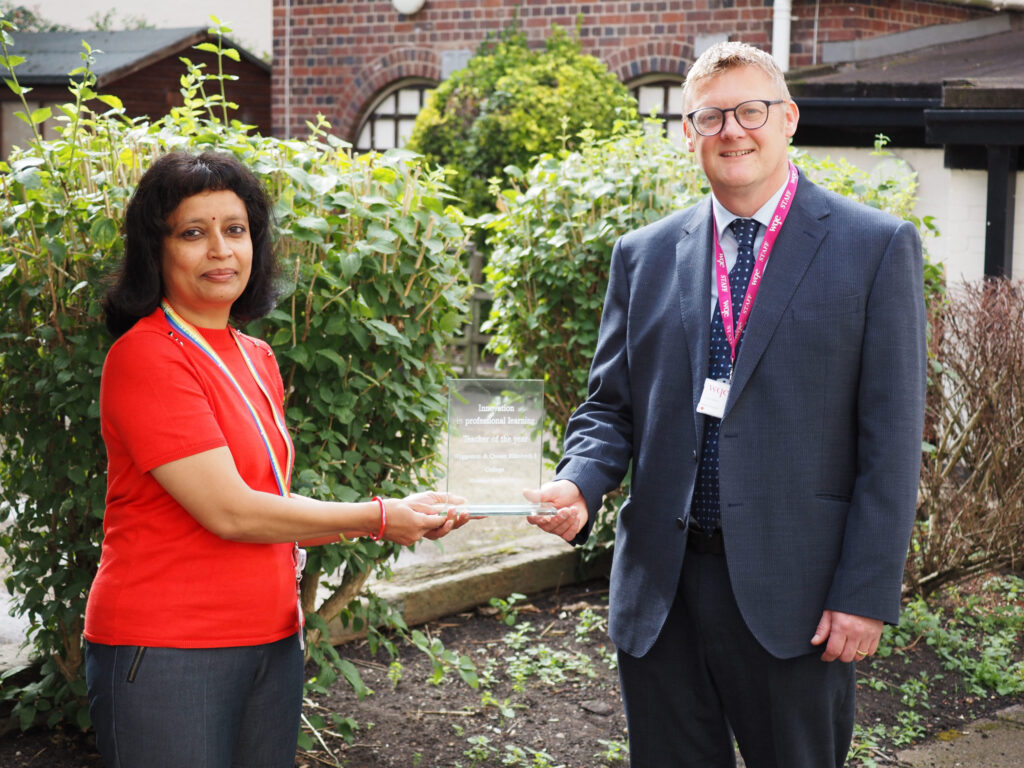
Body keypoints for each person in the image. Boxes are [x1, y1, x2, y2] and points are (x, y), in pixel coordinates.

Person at [527, 42, 926, 767]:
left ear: (789, 119)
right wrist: (578, 484)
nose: (732, 131)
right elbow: (610, 408)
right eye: (710, 116)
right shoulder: (642, 255)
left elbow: (892, 441)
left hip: (796, 600)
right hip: (662, 593)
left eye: (750, 110)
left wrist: (865, 592)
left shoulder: (874, 248)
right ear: (688, 132)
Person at [84, 150, 467, 768]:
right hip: (171, 647)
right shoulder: (146, 356)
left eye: (235, 230)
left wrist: (402, 513)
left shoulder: (254, 355)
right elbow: (231, 512)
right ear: (156, 250)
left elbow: (267, 497)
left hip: (270, 639)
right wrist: (379, 517)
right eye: (193, 233)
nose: (220, 250)